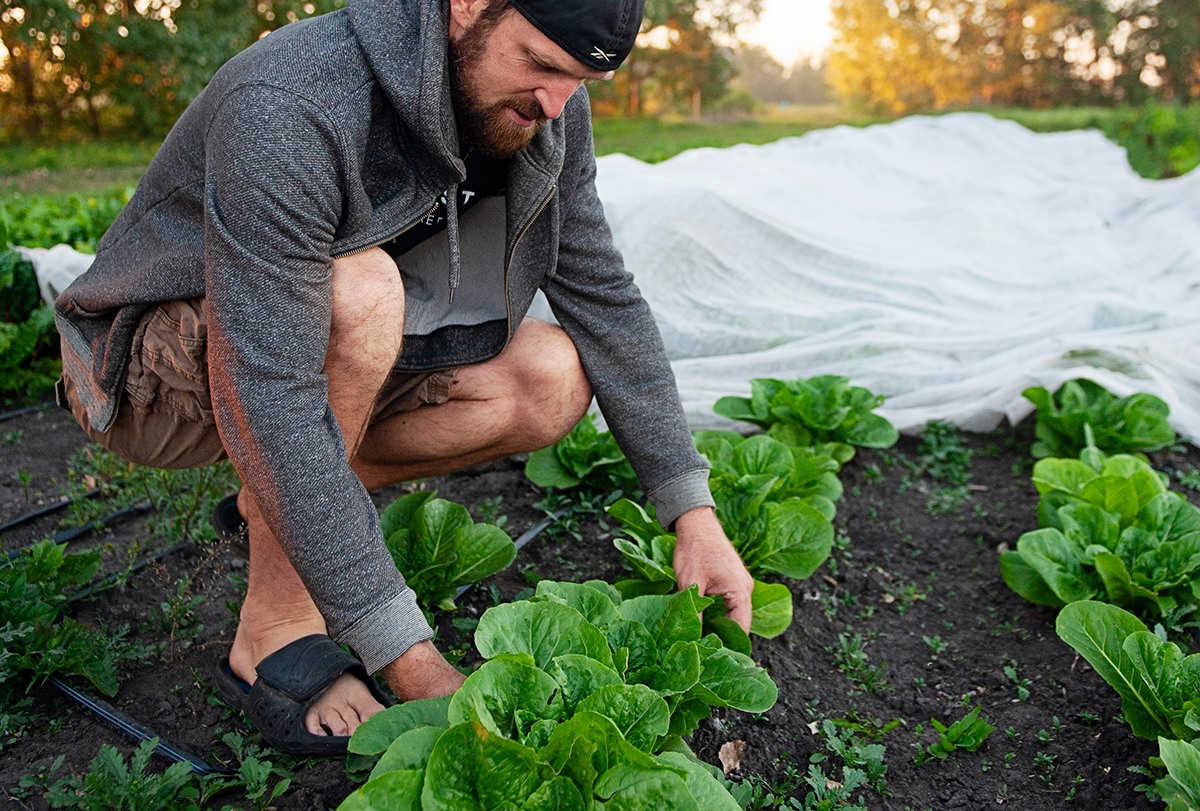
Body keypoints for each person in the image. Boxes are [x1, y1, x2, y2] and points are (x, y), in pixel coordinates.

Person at [53, 0, 754, 754]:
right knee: (359, 293)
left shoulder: (547, 112)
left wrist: (694, 511)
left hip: (331, 350)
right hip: (154, 368)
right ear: (467, 8)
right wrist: (407, 656)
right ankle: (274, 626)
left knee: (551, 375)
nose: (554, 103)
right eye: (542, 65)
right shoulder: (293, 101)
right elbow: (270, 386)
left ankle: (283, 501)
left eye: (581, 82)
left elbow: (603, 295)